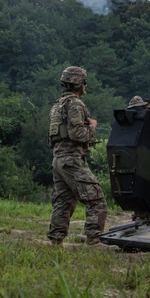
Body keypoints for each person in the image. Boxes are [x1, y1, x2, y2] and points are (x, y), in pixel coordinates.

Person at [47, 65, 108, 245]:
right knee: (96, 200)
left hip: (58, 160)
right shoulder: (75, 104)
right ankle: (94, 241)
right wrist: (92, 127)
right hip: (72, 159)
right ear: (80, 83)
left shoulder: (57, 105)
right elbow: (77, 134)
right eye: (84, 82)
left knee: (63, 202)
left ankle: (55, 242)